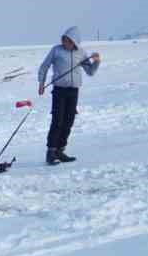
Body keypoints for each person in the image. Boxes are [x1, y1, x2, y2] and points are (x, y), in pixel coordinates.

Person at [38, 26, 101, 165]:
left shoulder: (81, 53)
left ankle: (60, 151)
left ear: (74, 41)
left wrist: (96, 61)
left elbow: (90, 72)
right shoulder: (56, 50)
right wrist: (41, 83)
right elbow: (44, 66)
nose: (65, 42)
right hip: (59, 90)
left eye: (68, 40)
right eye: (64, 39)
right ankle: (51, 152)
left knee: (69, 121)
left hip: (73, 91)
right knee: (57, 120)